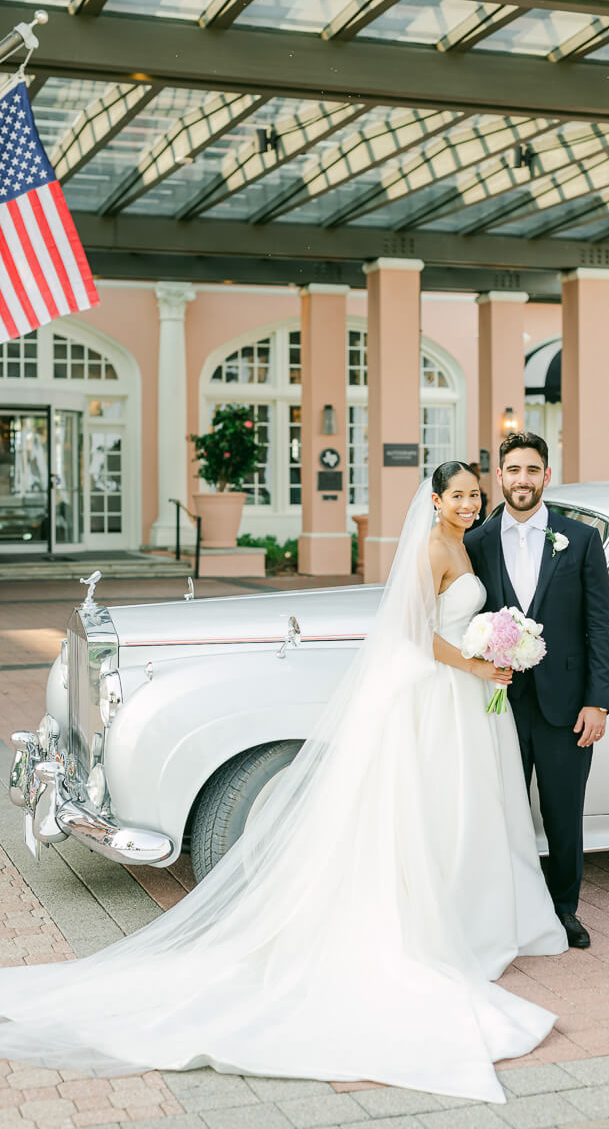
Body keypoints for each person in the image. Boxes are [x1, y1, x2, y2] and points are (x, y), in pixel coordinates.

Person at [0, 463, 566, 1105]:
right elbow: (413, 631)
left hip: (459, 695)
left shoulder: (465, 539)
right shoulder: (435, 544)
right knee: (422, 805)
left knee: (454, 808)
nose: (468, 502)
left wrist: (492, 651)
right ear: (435, 500)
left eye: (474, 494)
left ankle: (465, 901)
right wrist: (478, 658)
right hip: (438, 689)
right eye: (457, 494)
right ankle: (437, 914)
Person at [465, 434, 609, 950]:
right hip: (497, 705)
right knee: (500, 812)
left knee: (562, 813)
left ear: (546, 476)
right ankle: (505, 910)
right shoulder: (477, 542)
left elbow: (600, 626)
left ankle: (564, 910)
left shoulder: (582, 538)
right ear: (499, 477)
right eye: (513, 470)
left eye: (532, 470)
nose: (522, 479)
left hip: (567, 706)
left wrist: (597, 701)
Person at [466, 460, 488, 528]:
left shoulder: (477, 485)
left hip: (480, 520)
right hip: (474, 523)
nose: (480, 472)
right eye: (479, 470)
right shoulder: (470, 486)